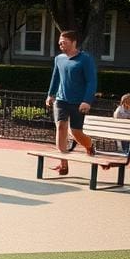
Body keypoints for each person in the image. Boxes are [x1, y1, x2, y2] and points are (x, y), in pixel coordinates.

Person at [45, 29, 97, 175]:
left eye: (64, 42)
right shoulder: (59, 59)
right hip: (61, 100)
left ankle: (90, 144)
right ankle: (63, 164)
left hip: (78, 102)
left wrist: (87, 100)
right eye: (60, 42)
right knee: (61, 127)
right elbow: (55, 78)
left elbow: (91, 81)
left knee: (76, 132)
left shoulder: (85, 59)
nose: (61, 44)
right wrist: (51, 94)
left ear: (74, 42)